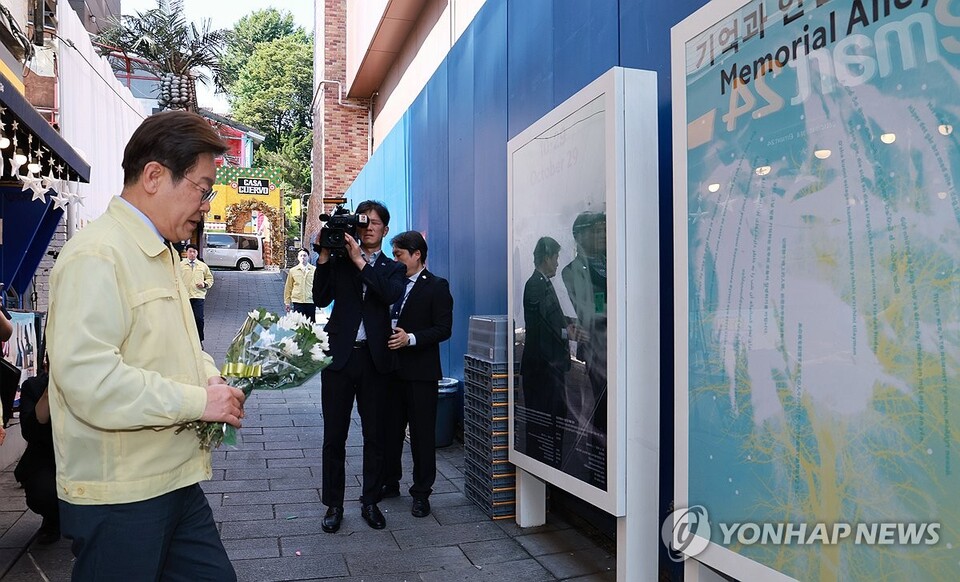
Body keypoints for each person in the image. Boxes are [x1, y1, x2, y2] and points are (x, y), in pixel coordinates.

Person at [46, 110, 246, 581]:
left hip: (174, 479)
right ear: (155, 176)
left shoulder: (160, 252)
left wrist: (210, 376)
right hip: (121, 494)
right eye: (201, 188)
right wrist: (200, 401)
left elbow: (178, 341)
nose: (206, 204)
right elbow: (89, 381)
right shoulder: (97, 256)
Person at [312, 200, 406, 533]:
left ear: (385, 229)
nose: (368, 227)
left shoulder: (393, 268)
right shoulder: (339, 261)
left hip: (374, 360)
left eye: (375, 222)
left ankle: (370, 501)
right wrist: (324, 255)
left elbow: (388, 294)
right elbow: (320, 298)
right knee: (333, 436)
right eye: (362, 222)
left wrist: (359, 261)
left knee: (375, 436)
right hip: (339, 357)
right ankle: (334, 505)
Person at [381, 231, 453, 518]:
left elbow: (444, 328)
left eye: (399, 255)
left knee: (422, 436)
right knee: (390, 432)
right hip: (390, 370)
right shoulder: (391, 284)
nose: (395, 261)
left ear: (417, 255)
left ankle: (422, 493)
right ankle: (390, 482)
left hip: (421, 372)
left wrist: (410, 338)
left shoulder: (436, 286)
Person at [519, 236, 571, 469]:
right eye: (556, 257)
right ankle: (545, 469)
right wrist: (569, 331)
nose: (558, 263)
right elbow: (549, 326)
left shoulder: (542, 283)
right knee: (544, 425)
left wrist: (571, 323)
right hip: (543, 370)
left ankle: (549, 466)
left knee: (551, 422)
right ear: (546, 258)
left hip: (546, 369)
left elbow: (555, 319)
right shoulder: (536, 285)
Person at [561, 212, 607, 433]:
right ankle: (598, 462)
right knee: (602, 408)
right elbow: (586, 312)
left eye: (604, 230)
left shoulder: (616, 261)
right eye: (596, 230)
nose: (603, 235)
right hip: (596, 350)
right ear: (579, 236)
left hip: (618, 346)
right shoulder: (570, 272)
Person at [15, 352, 59, 545]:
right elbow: (30, 431)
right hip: (46, 456)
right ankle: (54, 517)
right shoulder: (33, 386)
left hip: (83, 455)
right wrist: (50, 392)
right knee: (42, 492)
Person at [180, 243, 214, 343]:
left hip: (198, 296)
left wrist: (204, 284)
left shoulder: (202, 266)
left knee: (198, 319)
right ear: (186, 253)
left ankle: (199, 340)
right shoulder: (180, 265)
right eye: (190, 251)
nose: (192, 254)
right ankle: (185, 341)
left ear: (197, 253)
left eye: (194, 252)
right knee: (184, 320)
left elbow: (210, 279)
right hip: (184, 296)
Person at [284, 248, 317, 321]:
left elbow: (317, 286)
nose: (303, 257)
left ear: (308, 257)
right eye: (301, 255)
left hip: (310, 301)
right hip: (298, 301)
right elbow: (288, 287)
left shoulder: (314, 270)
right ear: (298, 257)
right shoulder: (293, 271)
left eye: (305, 255)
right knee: (298, 324)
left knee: (310, 325)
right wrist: (287, 302)